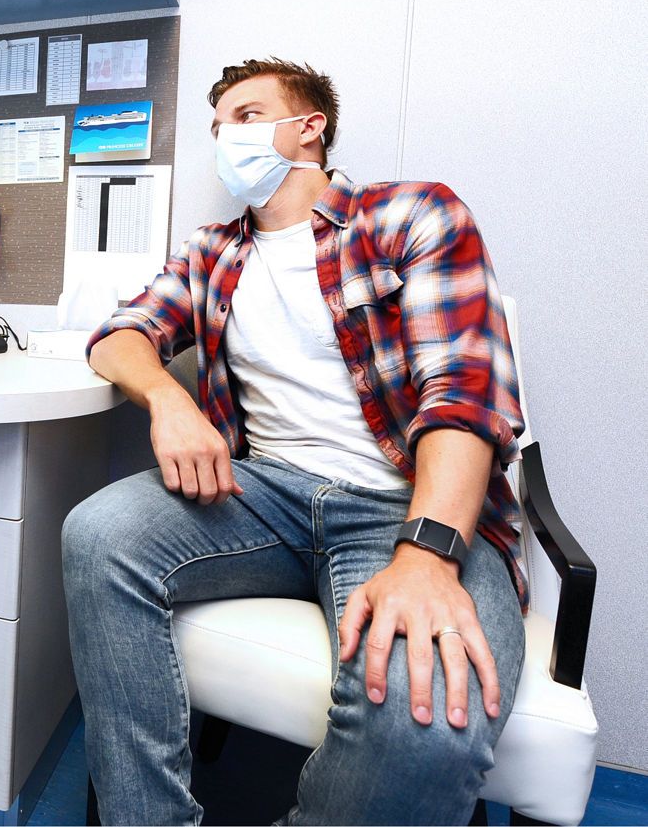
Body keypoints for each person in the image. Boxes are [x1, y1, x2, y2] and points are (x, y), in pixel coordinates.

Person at [62, 58, 527, 825]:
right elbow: (118, 336)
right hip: (263, 495)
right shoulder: (214, 252)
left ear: (308, 127)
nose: (225, 137)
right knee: (98, 534)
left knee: (424, 723)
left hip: (398, 504)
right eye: (218, 127)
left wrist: (428, 553)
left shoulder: (410, 215)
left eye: (245, 115)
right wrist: (168, 398)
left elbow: (464, 393)